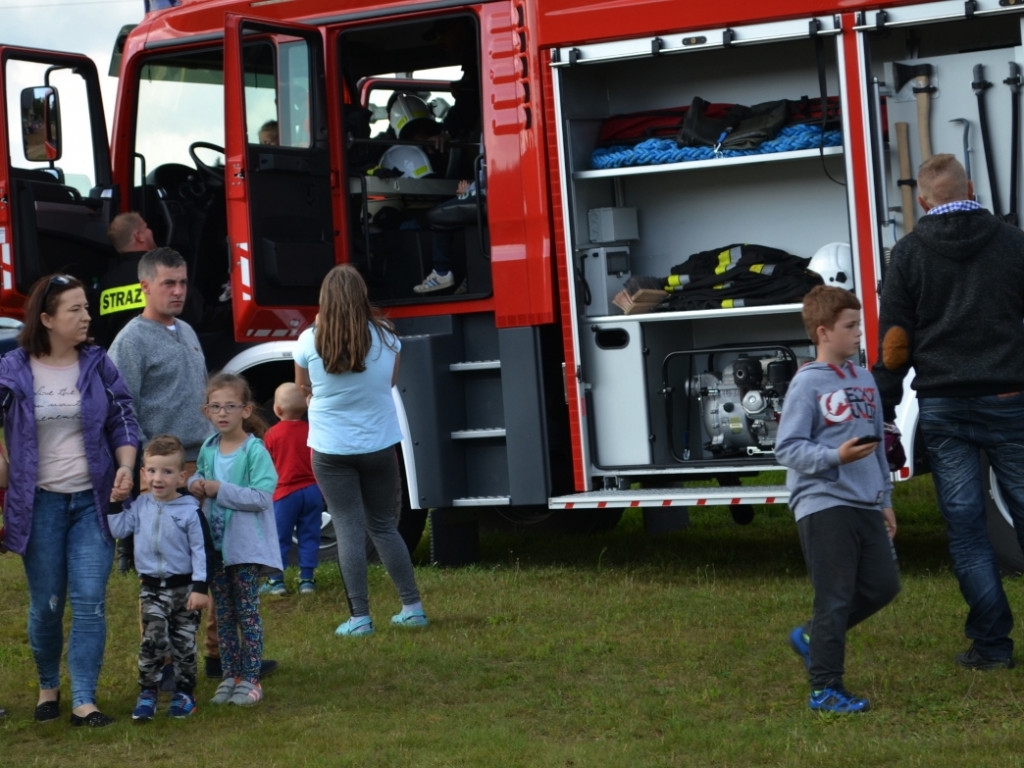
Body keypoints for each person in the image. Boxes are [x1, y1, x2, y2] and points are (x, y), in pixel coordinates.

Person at [872, 153, 1024, 671]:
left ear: (922, 201)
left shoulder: (909, 254)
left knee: (967, 531)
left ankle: (992, 648)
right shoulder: (1013, 242)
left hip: (943, 407)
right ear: (973, 189)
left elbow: (894, 343)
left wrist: (884, 408)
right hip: (1010, 400)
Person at [108, 247, 277, 680]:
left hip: (203, 463)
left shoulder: (186, 330)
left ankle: (221, 657)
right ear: (144, 286)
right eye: (168, 283)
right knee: (165, 569)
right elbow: (120, 409)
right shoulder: (130, 340)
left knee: (215, 558)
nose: (178, 290)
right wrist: (149, 470)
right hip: (162, 470)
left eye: (182, 282)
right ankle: (162, 663)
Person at [0, 273, 139, 727]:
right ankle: (47, 686)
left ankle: (84, 699)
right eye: (74, 310)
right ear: (46, 319)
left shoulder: (98, 364)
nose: (86, 316)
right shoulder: (13, 368)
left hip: (91, 503)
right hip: (38, 504)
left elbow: (122, 418)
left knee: (91, 601)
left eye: (86, 307)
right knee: (46, 605)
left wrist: (125, 464)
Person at [775, 285, 900, 713]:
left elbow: (880, 445)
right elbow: (787, 448)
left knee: (884, 585)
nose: (859, 333)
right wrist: (835, 456)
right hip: (823, 501)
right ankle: (824, 690)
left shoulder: (864, 378)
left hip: (865, 501)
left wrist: (884, 497)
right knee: (835, 596)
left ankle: (811, 637)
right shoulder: (807, 384)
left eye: (859, 324)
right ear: (823, 332)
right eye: (850, 327)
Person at [294, 264, 428, 637]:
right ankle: (412, 607)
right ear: (362, 297)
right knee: (384, 526)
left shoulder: (310, 340)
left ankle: (360, 618)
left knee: (349, 529)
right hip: (380, 444)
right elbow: (391, 381)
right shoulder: (387, 339)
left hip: (331, 448)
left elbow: (301, 387)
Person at [188, 372, 282, 706]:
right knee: (224, 615)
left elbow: (261, 496)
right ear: (207, 412)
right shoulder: (208, 448)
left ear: (246, 410)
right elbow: (200, 474)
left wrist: (219, 491)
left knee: (247, 613)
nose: (223, 412)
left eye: (231, 406)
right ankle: (230, 677)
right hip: (215, 550)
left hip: (245, 550)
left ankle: (251, 679)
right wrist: (195, 484)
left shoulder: (254, 450)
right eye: (216, 406)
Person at [107, 434, 213, 721]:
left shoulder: (190, 510)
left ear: (182, 475)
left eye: (167, 472)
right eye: (152, 471)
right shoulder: (140, 506)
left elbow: (202, 551)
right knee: (153, 641)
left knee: (184, 644)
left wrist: (201, 587)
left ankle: (185, 694)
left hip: (185, 589)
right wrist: (116, 502)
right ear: (143, 473)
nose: (158, 478)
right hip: (152, 588)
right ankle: (148, 692)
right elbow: (119, 530)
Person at [261, 382, 323, 596]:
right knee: (310, 535)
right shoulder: (311, 430)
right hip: (313, 491)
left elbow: (265, 467)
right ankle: (307, 579)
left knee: (278, 537)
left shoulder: (272, 435)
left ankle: (276, 580)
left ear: (277, 410)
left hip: (285, 494)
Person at [92, 212, 158, 348]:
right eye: (146, 228)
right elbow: (197, 316)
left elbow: (100, 333)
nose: (150, 231)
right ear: (139, 236)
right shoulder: (163, 273)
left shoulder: (106, 284)